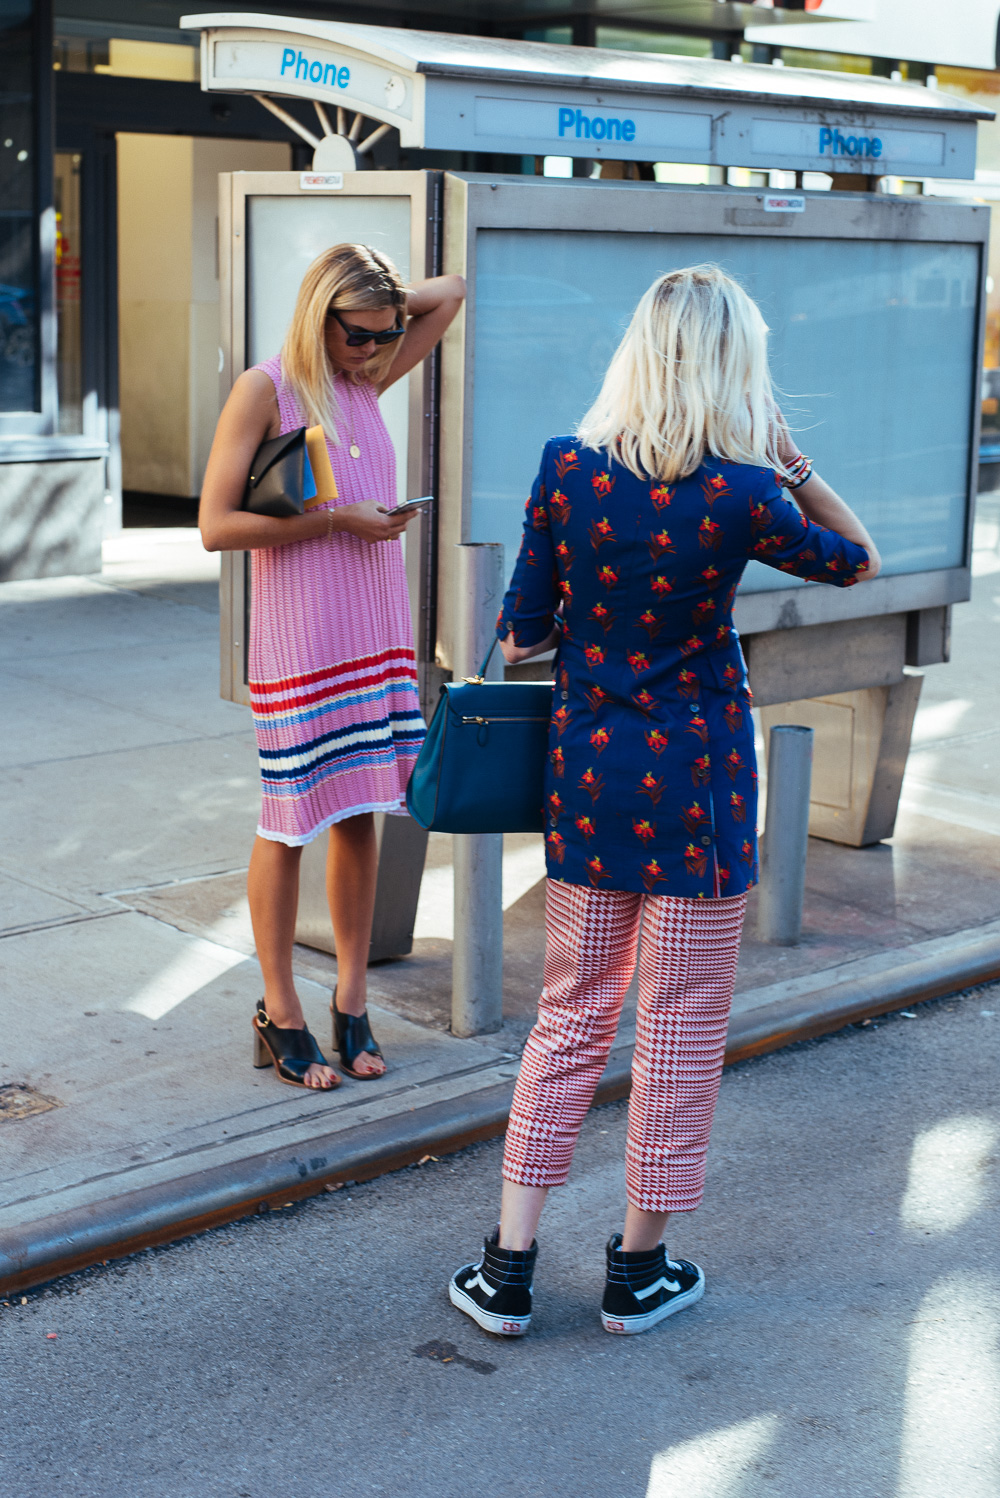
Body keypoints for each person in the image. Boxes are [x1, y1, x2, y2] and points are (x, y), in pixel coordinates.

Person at [449, 264, 879, 1337]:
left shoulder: (565, 469)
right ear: (738, 367)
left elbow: (521, 636)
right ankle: (638, 1271)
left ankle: (507, 1267)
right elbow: (856, 561)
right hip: (700, 792)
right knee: (680, 1024)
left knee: (568, 1015)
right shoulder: (744, 493)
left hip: (590, 785)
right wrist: (789, 456)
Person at [200, 243, 464, 1089]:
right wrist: (336, 521)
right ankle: (281, 1009)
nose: (377, 349)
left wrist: (384, 301)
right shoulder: (267, 389)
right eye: (360, 335)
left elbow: (451, 292)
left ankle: (353, 1000)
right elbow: (215, 526)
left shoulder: (363, 382)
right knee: (289, 819)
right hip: (300, 640)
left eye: (386, 335)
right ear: (320, 319)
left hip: (373, 634)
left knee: (362, 813)